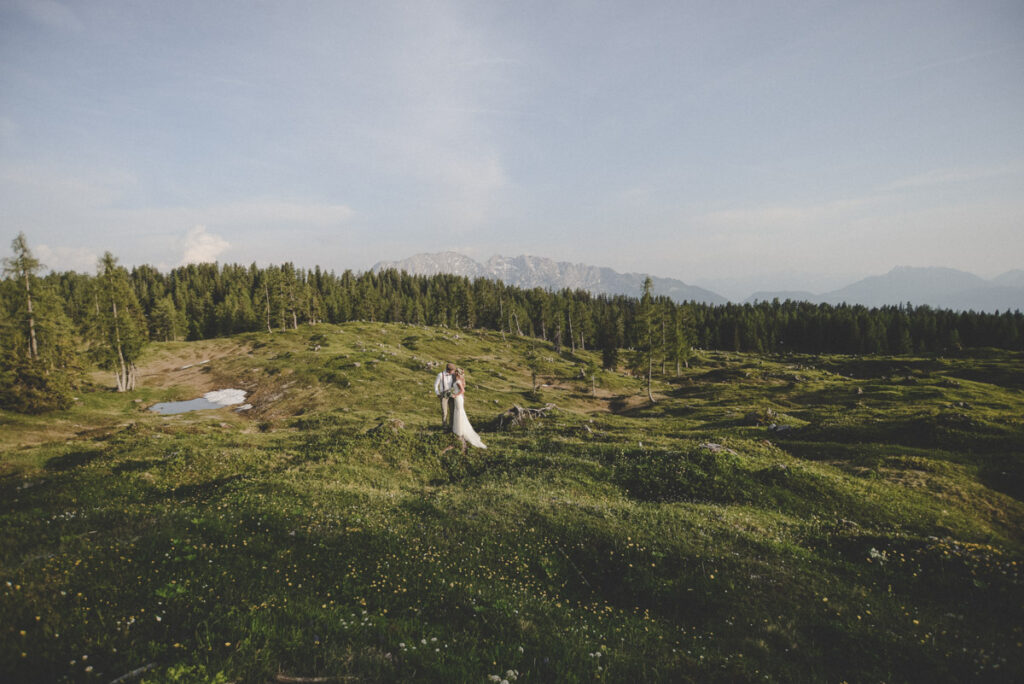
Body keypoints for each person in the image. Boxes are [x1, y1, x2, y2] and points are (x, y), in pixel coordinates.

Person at [451, 367, 486, 449]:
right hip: (459, 398)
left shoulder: (458, 381)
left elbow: (463, 390)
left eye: (455, 372)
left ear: (457, 373)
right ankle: (459, 429)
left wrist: (455, 395)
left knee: (459, 412)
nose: (454, 373)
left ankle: (459, 430)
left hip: (458, 398)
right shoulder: (460, 380)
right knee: (459, 411)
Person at [434, 362, 457, 430]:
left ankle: (451, 426)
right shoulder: (440, 375)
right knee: (444, 411)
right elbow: (435, 385)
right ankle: (444, 426)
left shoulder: (453, 375)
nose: (453, 371)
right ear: (449, 370)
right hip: (443, 395)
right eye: (453, 370)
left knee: (452, 411)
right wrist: (437, 393)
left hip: (451, 395)